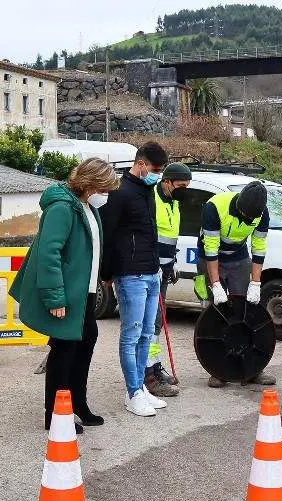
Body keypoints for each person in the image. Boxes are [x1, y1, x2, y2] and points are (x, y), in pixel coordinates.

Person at [9, 157, 120, 433]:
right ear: (89, 183)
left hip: (83, 293)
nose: (105, 195)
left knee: (85, 342)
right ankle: (55, 414)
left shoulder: (85, 206)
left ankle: (78, 404)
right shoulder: (62, 208)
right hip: (66, 294)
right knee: (64, 350)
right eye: (103, 189)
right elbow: (49, 254)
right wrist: (54, 297)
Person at [99, 142, 168, 417]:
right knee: (131, 335)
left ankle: (140, 387)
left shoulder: (147, 191)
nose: (158, 175)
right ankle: (132, 392)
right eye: (156, 169)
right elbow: (109, 234)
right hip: (131, 276)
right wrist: (107, 273)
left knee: (146, 335)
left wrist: (159, 268)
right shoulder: (121, 193)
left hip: (151, 273)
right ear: (141, 164)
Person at [196, 180, 276, 388]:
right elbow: (211, 249)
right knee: (217, 312)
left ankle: (252, 368)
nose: (249, 219)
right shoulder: (214, 208)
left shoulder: (261, 214)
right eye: (246, 216)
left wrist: (256, 283)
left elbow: (259, 247)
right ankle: (218, 370)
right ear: (239, 205)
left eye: (252, 217)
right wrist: (216, 284)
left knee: (245, 310)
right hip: (211, 258)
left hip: (239, 257)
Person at [144, 162, 192, 398]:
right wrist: (155, 266)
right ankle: (148, 375)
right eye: (181, 185)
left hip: (162, 272)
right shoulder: (151, 200)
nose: (185, 189)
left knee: (157, 324)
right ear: (167, 182)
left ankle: (153, 366)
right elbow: (148, 237)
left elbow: (169, 239)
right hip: (148, 271)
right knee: (149, 323)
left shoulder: (174, 202)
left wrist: (169, 266)